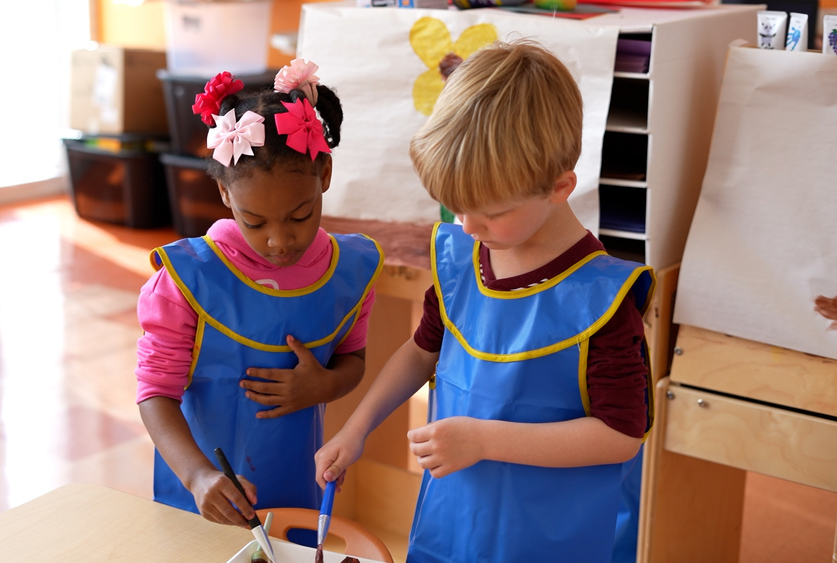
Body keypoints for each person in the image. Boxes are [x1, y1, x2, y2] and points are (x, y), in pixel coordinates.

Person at [314, 40, 655, 562]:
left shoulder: (603, 303)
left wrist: (484, 441)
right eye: (455, 209)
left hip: (548, 540)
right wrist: (357, 427)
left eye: (490, 212)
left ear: (561, 187)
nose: (469, 227)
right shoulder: (466, 257)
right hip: (454, 526)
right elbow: (421, 350)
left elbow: (620, 437)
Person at [136, 59, 383, 529]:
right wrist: (197, 476)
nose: (279, 241)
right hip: (203, 493)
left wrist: (325, 386)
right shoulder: (188, 278)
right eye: (255, 222)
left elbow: (353, 359)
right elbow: (154, 393)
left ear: (324, 175)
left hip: (295, 484)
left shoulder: (349, 271)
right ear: (225, 194)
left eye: (300, 215)